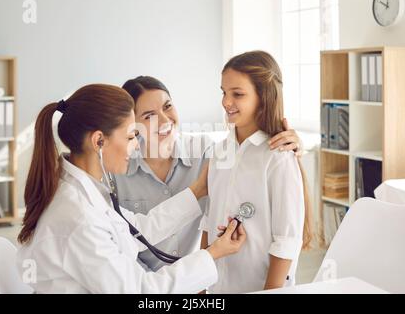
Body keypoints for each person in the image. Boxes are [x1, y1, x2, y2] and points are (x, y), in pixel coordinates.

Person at [16, 84, 246, 293]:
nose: (137, 144)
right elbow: (140, 292)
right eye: (131, 136)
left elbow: (136, 229)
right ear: (98, 142)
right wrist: (213, 254)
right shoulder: (78, 218)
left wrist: (196, 191)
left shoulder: (79, 187)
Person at [115, 76, 305, 271]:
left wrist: (292, 145)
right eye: (148, 116)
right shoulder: (116, 171)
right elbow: (120, 248)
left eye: (167, 106)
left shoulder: (206, 152)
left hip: (198, 282)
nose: (164, 120)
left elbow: (248, 158)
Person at [200, 51, 314, 294]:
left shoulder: (279, 157)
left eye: (237, 94)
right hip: (218, 287)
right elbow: (208, 223)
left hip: (259, 287)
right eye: (224, 92)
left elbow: (286, 240)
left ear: (263, 97)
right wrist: (198, 286)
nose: (225, 102)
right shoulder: (219, 152)